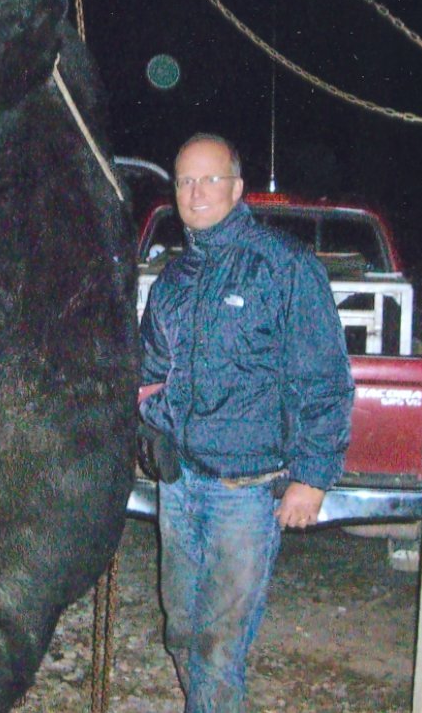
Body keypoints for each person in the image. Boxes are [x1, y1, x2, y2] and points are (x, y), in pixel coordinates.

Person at [139, 133, 355, 711]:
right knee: (181, 631)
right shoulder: (174, 280)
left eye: (209, 179)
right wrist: (151, 425)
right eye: (185, 180)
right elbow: (151, 372)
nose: (196, 191)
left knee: (218, 647)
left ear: (237, 189)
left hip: (248, 495)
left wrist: (312, 477)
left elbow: (324, 379)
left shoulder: (284, 268)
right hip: (180, 487)